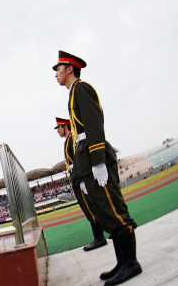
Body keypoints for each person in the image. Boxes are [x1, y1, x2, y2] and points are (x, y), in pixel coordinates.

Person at [53, 51, 142, 285]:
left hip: (94, 156)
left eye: (58, 69)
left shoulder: (81, 89)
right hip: (86, 159)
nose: (56, 74)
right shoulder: (73, 93)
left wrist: (98, 160)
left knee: (114, 210)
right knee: (105, 212)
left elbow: (94, 125)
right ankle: (122, 262)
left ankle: (131, 263)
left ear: (69, 69)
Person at [55, 117, 106, 251]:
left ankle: (99, 237)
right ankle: (102, 234)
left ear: (64, 126)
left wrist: (82, 179)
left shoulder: (72, 138)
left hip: (79, 176)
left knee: (90, 207)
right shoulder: (68, 140)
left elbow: (78, 160)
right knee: (90, 206)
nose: (57, 131)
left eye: (58, 128)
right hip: (77, 176)